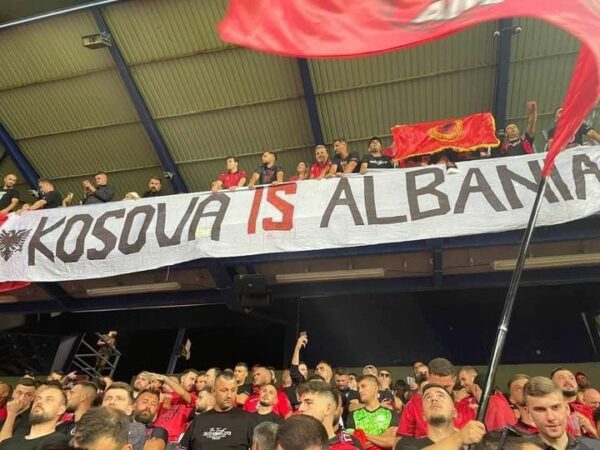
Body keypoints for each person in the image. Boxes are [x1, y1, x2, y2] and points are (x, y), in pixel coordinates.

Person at [395, 358, 475, 441]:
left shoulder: (467, 407)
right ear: (428, 378)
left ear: (454, 380)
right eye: (436, 386)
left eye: (446, 387)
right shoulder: (414, 405)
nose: (441, 391)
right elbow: (400, 443)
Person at [395, 384, 485, 450]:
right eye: (428, 397)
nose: (434, 399)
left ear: (454, 412)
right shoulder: (406, 445)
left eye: (441, 396)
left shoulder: (474, 445)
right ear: (423, 416)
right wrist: (459, 438)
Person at [179, 371, 255, 449]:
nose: (229, 395)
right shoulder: (199, 420)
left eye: (233, 390)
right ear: (213, 391)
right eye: (224, 390)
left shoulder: (247, 419)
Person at [525, 376, 600, 450]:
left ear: (567, 409)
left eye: (555, 407)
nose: (551, 417)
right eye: (540, 409)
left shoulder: (596, 446)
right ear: (529, 414)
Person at [0, 385, 70, 449]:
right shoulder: (8, 442)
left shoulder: (59, 442)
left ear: (61, 410)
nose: (39, 402)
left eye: (49, 399)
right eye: (38, 399)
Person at [297, 380, 361, 450]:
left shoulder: (350, 447)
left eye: (309, 403)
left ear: (328, 408)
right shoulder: (290, 444)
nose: (300, 408)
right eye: (301, 403)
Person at [346, 375, 398, 449]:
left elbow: (393, 442)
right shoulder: (353, 415)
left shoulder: (391, 414)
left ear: (375, 388)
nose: (360, 391)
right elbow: (353, 446)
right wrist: (383, 436)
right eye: (359, 388)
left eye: (363, 386)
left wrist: (363, 435)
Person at [152, 370, 198, 445]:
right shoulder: (167, 395)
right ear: (183, 378)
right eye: (191, 379)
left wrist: (165, 379)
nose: (193, 383)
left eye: (195, 381)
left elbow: (182, 393)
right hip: (154, 434)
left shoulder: (193, 397)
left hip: (172, 440)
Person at [551, 368, 597, 438]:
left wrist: (591, 430)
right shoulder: (547, 411)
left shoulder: (594, 410)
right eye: (561, 378)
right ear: (552, 385)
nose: (567, 381)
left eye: (571, 378)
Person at [101, 382, 147, 450]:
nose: (112, 402)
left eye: (119, 399)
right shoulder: (88, 424)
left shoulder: (136, 429)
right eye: (107, 398)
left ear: (130, 409)